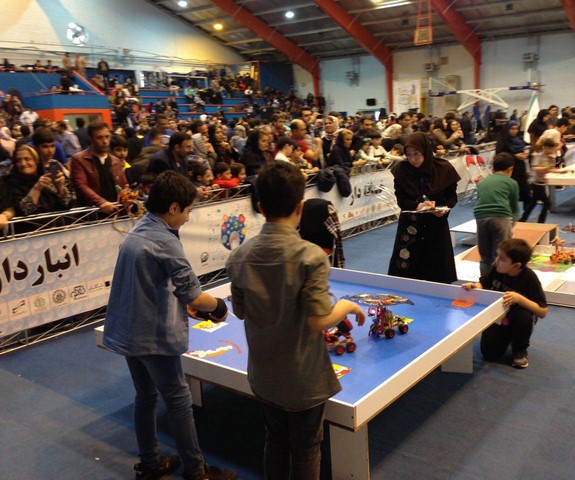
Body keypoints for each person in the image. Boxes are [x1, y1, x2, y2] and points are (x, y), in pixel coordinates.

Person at [225, 161, 365, 480]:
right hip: (303, 380)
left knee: (275, 440)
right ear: (300, 207)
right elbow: (319, 321)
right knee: (306, 449)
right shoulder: (311, 256)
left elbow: (241, 312)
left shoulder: (239, 257)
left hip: (263, 374)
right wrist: (345, 306)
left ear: (260, 207)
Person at [103, 171, 236, 480]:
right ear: (174, 207)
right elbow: (194, 295)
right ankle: (196, 472)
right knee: (178, 401)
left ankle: (150, 464)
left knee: (145, 396)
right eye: (188, 210)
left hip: (128, 331)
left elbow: (149, 285)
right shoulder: (165, 240)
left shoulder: (138, 230)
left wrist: (180, 304)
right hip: (152, 337)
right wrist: (219, 307)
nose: (188, 218)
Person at [462, 238, 548, 369]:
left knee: (523, 317)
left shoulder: (529, 278)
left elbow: (543, 311)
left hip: (518, 316)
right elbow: (483, 284)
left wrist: (519, 299)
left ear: (516, 265)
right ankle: (507, 336)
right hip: (499, 316)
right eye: (497, 256)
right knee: (489, 354)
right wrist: (474, 287)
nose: (496, 260)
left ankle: (519, 349)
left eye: (502, 259)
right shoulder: (497, 269)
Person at [387, 132, 460, 284]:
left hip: (436, 225)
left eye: (417, 154)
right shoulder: (402, 170)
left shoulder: (443, 168)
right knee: (407, 272)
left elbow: (452, 197)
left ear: (425, 151)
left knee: (437, 271)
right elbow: (401, 200)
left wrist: (443, 209)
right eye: (409, 154)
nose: (413, 159)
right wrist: (418, 206)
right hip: (411, 227)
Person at [474, 153, 520, 276]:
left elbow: (480, 200)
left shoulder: (483, 182)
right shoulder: (511, 183)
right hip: (500, 217)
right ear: (510, 169)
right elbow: (514, 207)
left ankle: (484, 282)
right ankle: (499, 282)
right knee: (501, 255)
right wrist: (513, 222)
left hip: (480, 217)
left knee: (485, 257)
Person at [71, 122, 128, 212]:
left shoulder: (116, 161)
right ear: (91, 139)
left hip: (115, 210)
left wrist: (128, 198)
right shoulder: (79, 159)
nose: (105, 141)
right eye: (99, 138)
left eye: (107, 137)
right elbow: (81, 185)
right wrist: (100, 202)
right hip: (91, 212)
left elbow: (124, 185)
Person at [519, 138, 558, 224]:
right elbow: (535, 168)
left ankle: (523, 219)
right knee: (547, 203)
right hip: (536, 182)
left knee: (533, 202)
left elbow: (549, 169)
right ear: (545, 147)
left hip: (541, 182)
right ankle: (541, 221)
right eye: (551, 148)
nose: (552, 150)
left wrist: (559, 171)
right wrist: (546, 168)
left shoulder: (549, 157)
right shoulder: (539, 156)